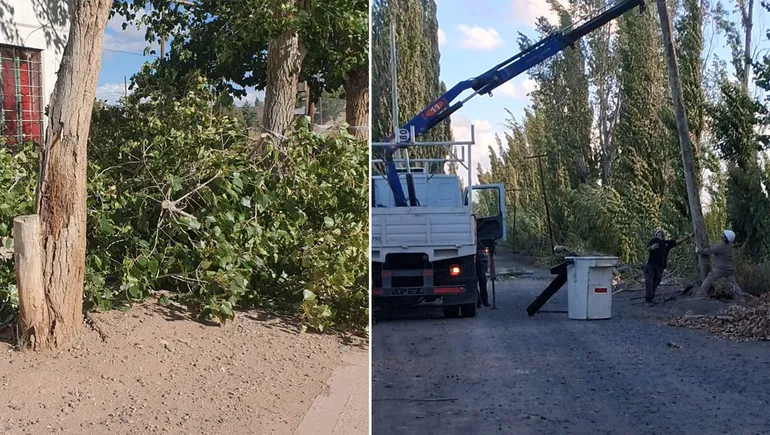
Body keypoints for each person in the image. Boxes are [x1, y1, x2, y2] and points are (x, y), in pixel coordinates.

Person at [693, 229, 751, 301]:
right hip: (730, 269)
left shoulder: (721, 246)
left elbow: (710, 250)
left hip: (720, 269)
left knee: (709, 279)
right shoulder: (729, 246)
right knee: (734, 284)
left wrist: (700, 251)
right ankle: (741, 299)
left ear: (725, 238)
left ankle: (699, 295)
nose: (721, 235)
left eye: (723, 235)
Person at [645, 229, 690, 304]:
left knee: (656, 281)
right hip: (651, 264)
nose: (660, 235)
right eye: (658, 234)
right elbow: (648, 249)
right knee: (649, 281)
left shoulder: (666, 243)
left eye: (661, 234)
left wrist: (688, 236)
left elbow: (677, 241)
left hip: (660, 266)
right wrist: (652, 247)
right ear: (656, 235)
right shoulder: (653, 241)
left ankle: (651, 296)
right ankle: (648, 298)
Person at [476, 243, 490, 308]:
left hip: (478, 259)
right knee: (479, 280)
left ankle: (483, 300)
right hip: (474, 257)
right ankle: (479, 300)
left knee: (483, 280)